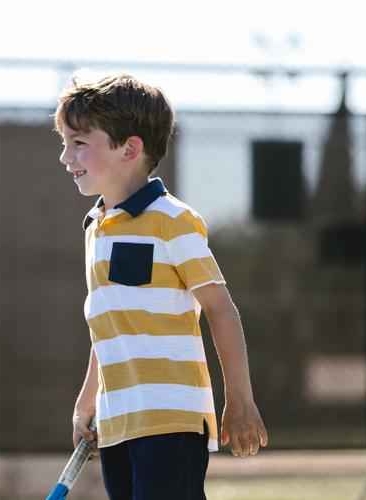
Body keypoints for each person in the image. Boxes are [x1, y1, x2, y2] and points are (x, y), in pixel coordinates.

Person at [53, 73, 268, 500]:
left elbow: (220, 308)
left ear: (129, 149)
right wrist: (89, 399)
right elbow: (111, 325)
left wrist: (239, 397)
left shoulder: (173, 221)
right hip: (117, 426)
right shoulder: (96, 230)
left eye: (78, 142)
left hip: (170, 422)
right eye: (64, 142)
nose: (65, 157)